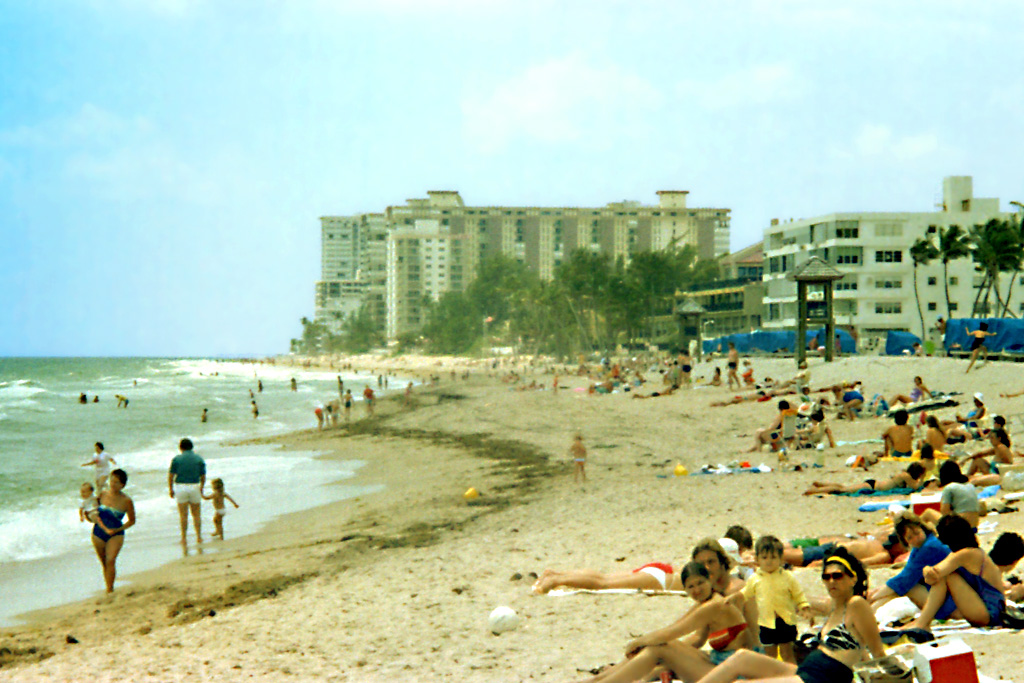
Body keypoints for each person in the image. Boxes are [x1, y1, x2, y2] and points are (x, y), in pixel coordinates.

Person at [691, 548, 887, 683]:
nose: (831, 582)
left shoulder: (857, 604)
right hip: (808, 670)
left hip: (821, 678)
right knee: (741, 658)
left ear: (853, 579)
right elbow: (859, 649)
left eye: (837, 576)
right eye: (826, 577)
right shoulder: (836, 608)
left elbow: (877, 652)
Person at [571, 562, 756, 683]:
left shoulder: (714, 606)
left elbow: (672, 632)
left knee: (658, 648)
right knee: (662, 646)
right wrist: (647, 645)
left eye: (700, 583)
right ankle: (599, 679)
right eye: (691, 586)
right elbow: (687, 634)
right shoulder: (707, 602)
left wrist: (637, 643)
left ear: (710, 581)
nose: (697, 590)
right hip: (718, 662)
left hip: (732, 674)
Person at [901, 515, 1007, 631]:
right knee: (945, 575)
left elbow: (935, 573)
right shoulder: (971, 552)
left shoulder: (967, 554)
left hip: (991, 614)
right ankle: (923, 622)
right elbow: (933, 576)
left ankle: (923, 623)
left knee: (947, 576)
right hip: (990, 610)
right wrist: (929, 572)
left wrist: (927, 570)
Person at [869, 512, 954, 618]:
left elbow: (903, 580)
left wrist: (874, 596)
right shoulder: (922, 545)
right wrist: (877, 592)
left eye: (917, 533)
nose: (915, 539)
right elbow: (905, 574)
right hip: (943, 593)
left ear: (922, 528)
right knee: (899, 588)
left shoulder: (929, 547)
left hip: (949, 600)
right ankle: (869, 611)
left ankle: (868, 612)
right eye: (910, 538)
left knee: (905, 587)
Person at [742, 536, 810, 663]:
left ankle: (792, 673)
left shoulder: (787, 577)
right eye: (764, 557)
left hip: (786, 620)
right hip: (766, 622)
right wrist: (733, 601)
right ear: (757, 559)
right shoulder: (755, 579)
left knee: (787, 653)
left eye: (773, 557)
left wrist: (804, 607)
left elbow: (798, 594)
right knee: (769, 656)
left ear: (781, 559)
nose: (769, 561)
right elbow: (744, 594)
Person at [91, 469, 135, 593]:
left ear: (123, 485)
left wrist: (118, 529)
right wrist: (89, 516)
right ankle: (108, 587)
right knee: (104, 562)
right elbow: (93, 510)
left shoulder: (126, 501)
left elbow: (132, 521)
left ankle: (110, 590)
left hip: (116, 534)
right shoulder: (102, 495)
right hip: (98, 532)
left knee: (110, 560)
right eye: (112, 481)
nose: (113, 484)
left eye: (117, 482)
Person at [803, 462, 927, 495]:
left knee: (844, 487)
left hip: (873, 484)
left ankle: (821, 484)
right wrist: (922, 477)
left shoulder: (905, 474)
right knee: (842, 490)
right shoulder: (906, 476)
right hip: (872, 486)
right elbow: (916, 487)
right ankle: (815, 490)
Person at [783, 534, 906, 568]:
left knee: (789, 555)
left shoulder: (878, 543)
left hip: (834, 547)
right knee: (785, 556)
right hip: (834, 553)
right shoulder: (884, 555)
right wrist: (823, 563)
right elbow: (858, 563)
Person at [168, 438, 206, 544]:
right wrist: (202, 487)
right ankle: (199, 537)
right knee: (196, 514)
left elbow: (171, 475)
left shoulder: (176, 459)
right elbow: (203, 475)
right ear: (192, 447)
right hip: (194, 486)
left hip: (181, 487)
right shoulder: (199, 459)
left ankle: (184, 538)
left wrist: (171, 489)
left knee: (183, 515)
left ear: (180, 447)